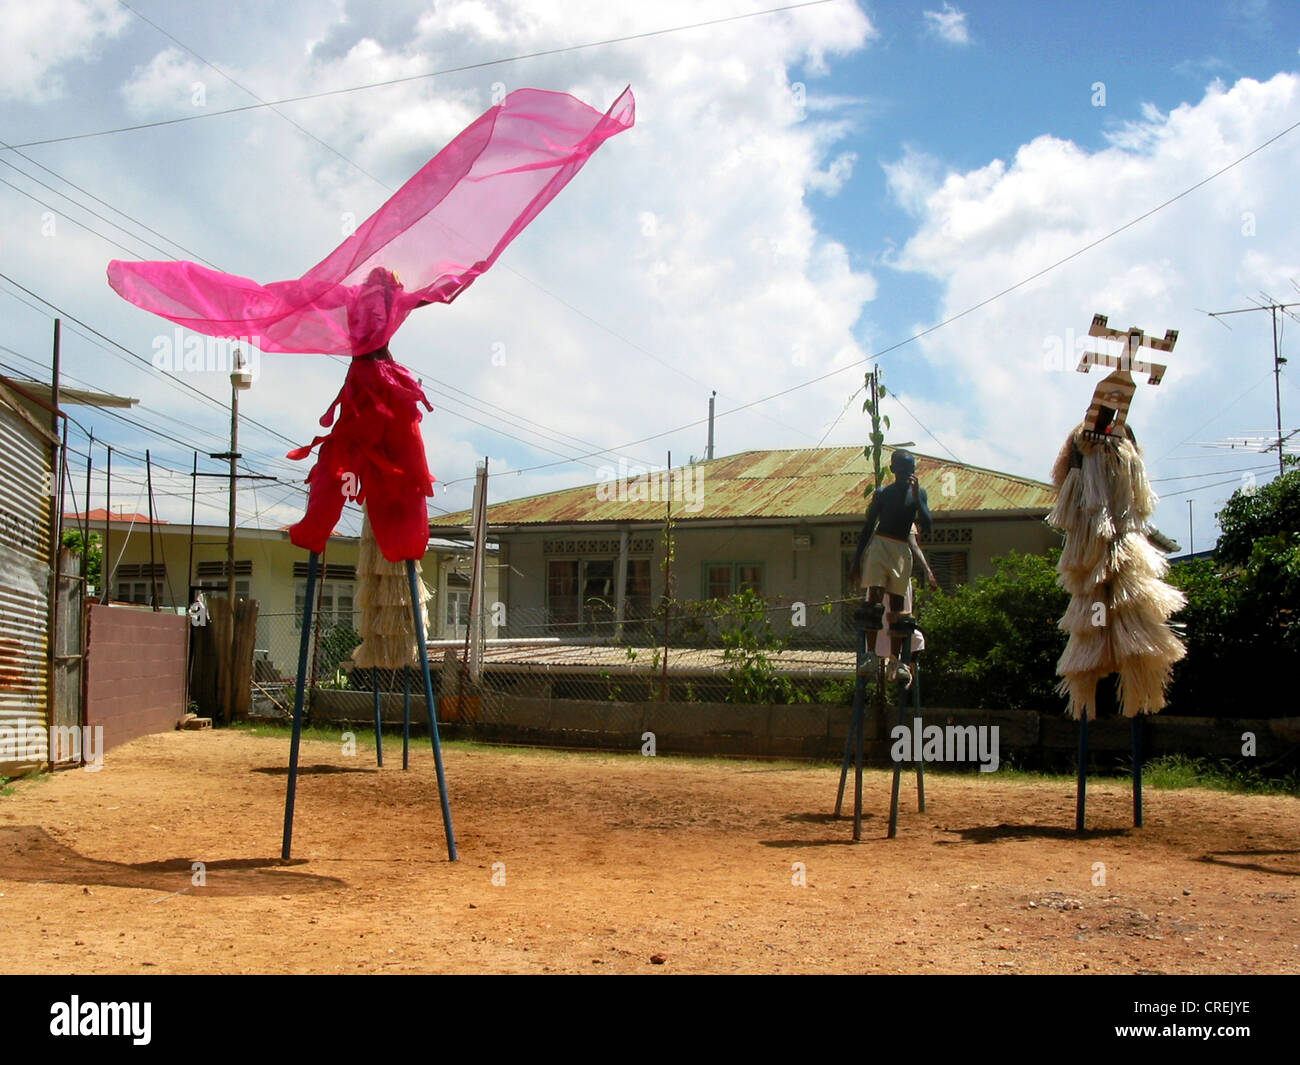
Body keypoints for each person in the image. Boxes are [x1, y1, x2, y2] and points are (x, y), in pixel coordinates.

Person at [849, 450, 933, 685]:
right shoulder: (883, 493)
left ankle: (898, 662)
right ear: (894, 468)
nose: (909, 473)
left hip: (900, 549)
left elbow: (927, 524)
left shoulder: (918, 493)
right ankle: (871, 656)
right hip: (880, 545)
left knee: (897, 607)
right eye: (904, 469)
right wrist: (856, 561)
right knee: (873, 602)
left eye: (912, 469)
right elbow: (868, 527)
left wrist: (918, 499)